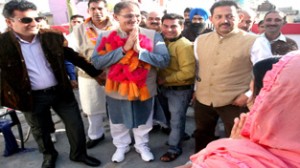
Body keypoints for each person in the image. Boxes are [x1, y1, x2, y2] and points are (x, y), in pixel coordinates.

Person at [0, 0, 102, 167]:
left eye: (36, 18)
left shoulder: (52, 37)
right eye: (26, 20)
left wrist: (96, 73)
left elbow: (73, 56)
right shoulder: (2, 45)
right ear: (9, 22)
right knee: (40, 131)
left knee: (75, 125)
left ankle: (79, 154)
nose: (34, 23)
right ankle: (49, 155)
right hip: (31, 97)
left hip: (60, 92)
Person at [178, 50, 300, 168]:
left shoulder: (231, 161)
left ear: (269, 100)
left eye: (252, 92)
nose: (249, 100)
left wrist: (234, 148)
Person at [91, 1, 169, 163]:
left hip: (144, 88)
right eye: (128, 16)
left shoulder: (152, 35)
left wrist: (141, 52)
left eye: (137, 15)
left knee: (144, 120)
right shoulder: (105, 37)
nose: (134, 19)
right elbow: (97, 63)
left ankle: (142, 145)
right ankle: (121, 146)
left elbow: (163, 61)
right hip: (116, 89)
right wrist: (124, 50)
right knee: (117, 121)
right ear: (115, 17)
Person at [193, 0, 272, 153]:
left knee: (237, 140)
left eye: (230, 16)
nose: (224, 20)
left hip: (236, 101)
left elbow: (266, 74)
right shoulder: (200, 40)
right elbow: (199, 68)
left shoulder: (255, 41)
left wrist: (249, 94)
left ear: (239, 17)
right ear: (211, 19)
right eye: (219, 16)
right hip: (203, 100)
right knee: (202, 136)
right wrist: (197, 89)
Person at [70, 0, 116, 149]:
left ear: (107, 10)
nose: (97, 12)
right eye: (93, 8)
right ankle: (96, 135)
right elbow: (73, 53)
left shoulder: (117, 26)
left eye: (100, 8)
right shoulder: (79, 29)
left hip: (115, 74)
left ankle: (119, 136)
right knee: (92, 108)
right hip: (89, 75)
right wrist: (94, 72)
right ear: (88, 11)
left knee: (116, 106)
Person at [158, 13, 195, 162]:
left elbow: (188, 72)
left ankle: (174, 148)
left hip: (179, 90)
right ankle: (180, 135)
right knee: (169, 118)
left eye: (174, 26)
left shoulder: (184, 45)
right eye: (165, 26)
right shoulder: (162, 41)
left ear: (182, 26)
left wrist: (164, 80)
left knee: (176, 120)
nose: (169, 29)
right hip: (164, 88)